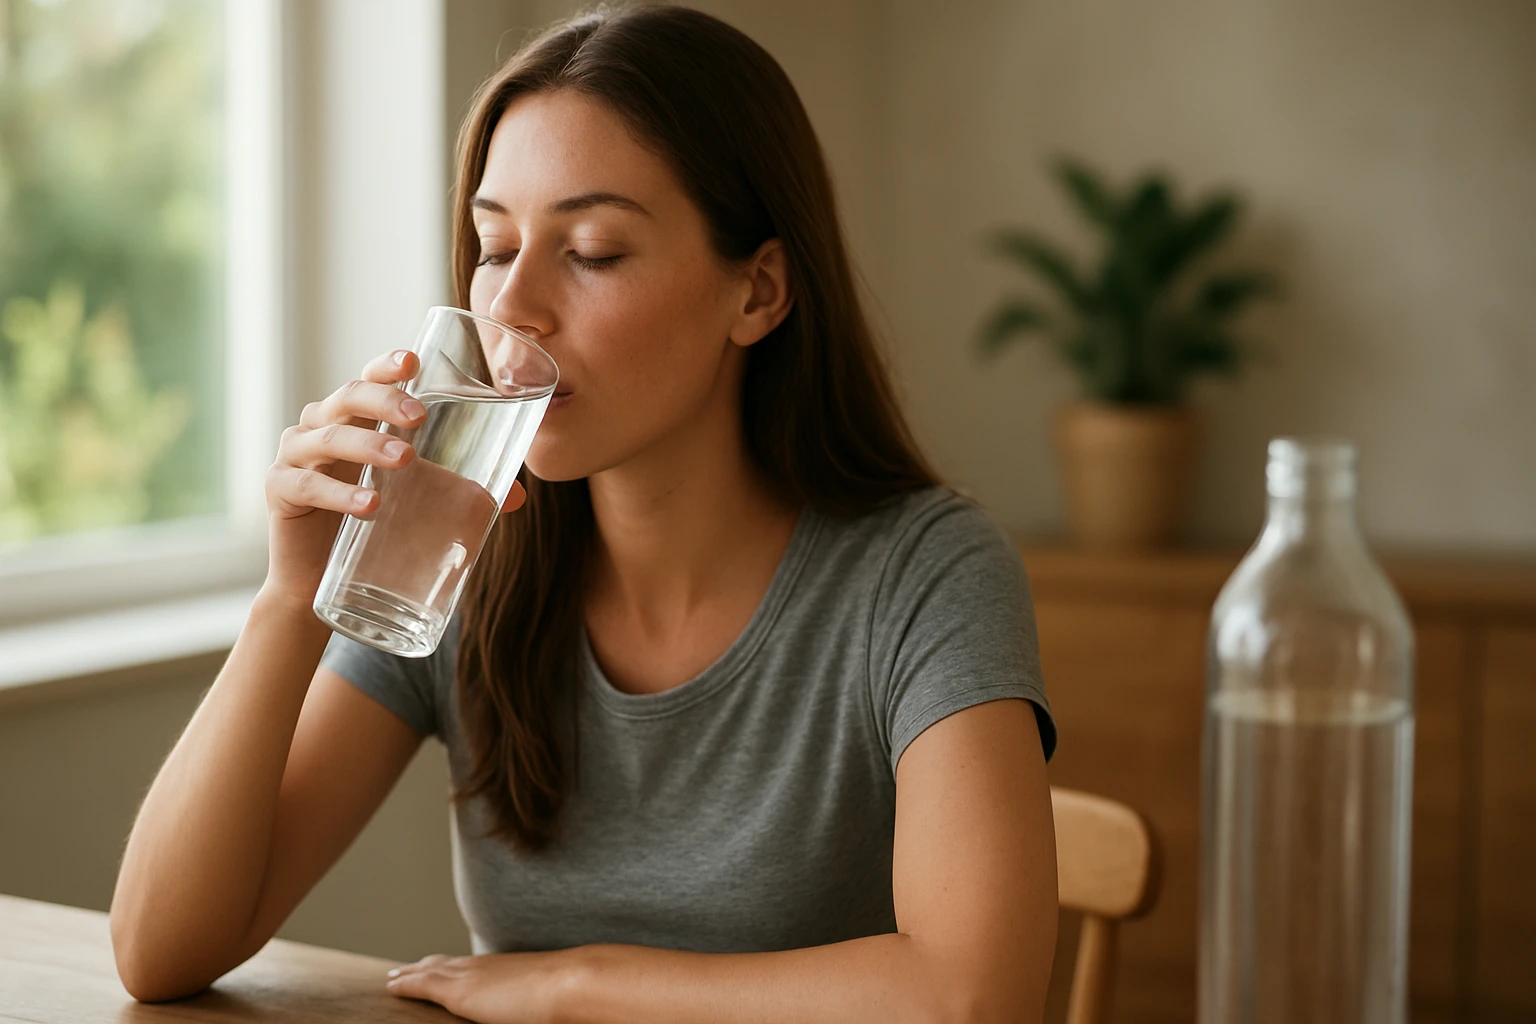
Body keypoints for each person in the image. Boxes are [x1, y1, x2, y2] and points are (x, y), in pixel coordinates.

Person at [110, 6, 1058, 1021]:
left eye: (594, 251)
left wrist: (577, 982)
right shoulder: (456, 556)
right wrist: (291, 593)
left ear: (759, 292)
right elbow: (162, 947)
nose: (513, 307)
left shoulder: (925, 574)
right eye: (493, 244)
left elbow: (973, 996)